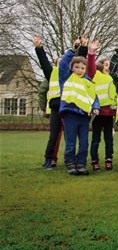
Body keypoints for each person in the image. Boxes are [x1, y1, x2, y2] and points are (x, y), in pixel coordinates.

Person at [58, 39, 100, 175]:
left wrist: (96, 107)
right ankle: (70, 162)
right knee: (70, 142)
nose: (79, 70)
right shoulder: (66, 77)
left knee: (84, 142)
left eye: (82, 68)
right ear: (72, 68)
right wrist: (72, 50)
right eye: (76, 67)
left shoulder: (87, 81)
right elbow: (63, 64)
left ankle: (81, 163)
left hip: (83, 116)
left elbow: (93, 96)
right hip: (70, 114)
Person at [33, 36, 69, 169]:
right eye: (59, 61)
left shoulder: (70, 73)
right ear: (56, 64)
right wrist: (39, 48)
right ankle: (49, 160)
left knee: (69, 137)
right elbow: (43, 61)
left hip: (68, 108)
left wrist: (80, 47)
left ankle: (69, 160)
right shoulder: (51, 72)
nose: (62, 63)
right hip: (56, 109)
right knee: (53, 136)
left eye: (64, 61)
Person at [87, 43, 117, 171]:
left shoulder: (112, 78)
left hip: (110, 114)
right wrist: (92, 53)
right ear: (100, 66)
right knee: (96, 139)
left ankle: (108, 159)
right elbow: (90, 67)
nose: (108, 67)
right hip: (98, 113)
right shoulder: (96, 75)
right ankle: (95, 161)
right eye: (106, 65)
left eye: (109, 65)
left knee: (109, 139)